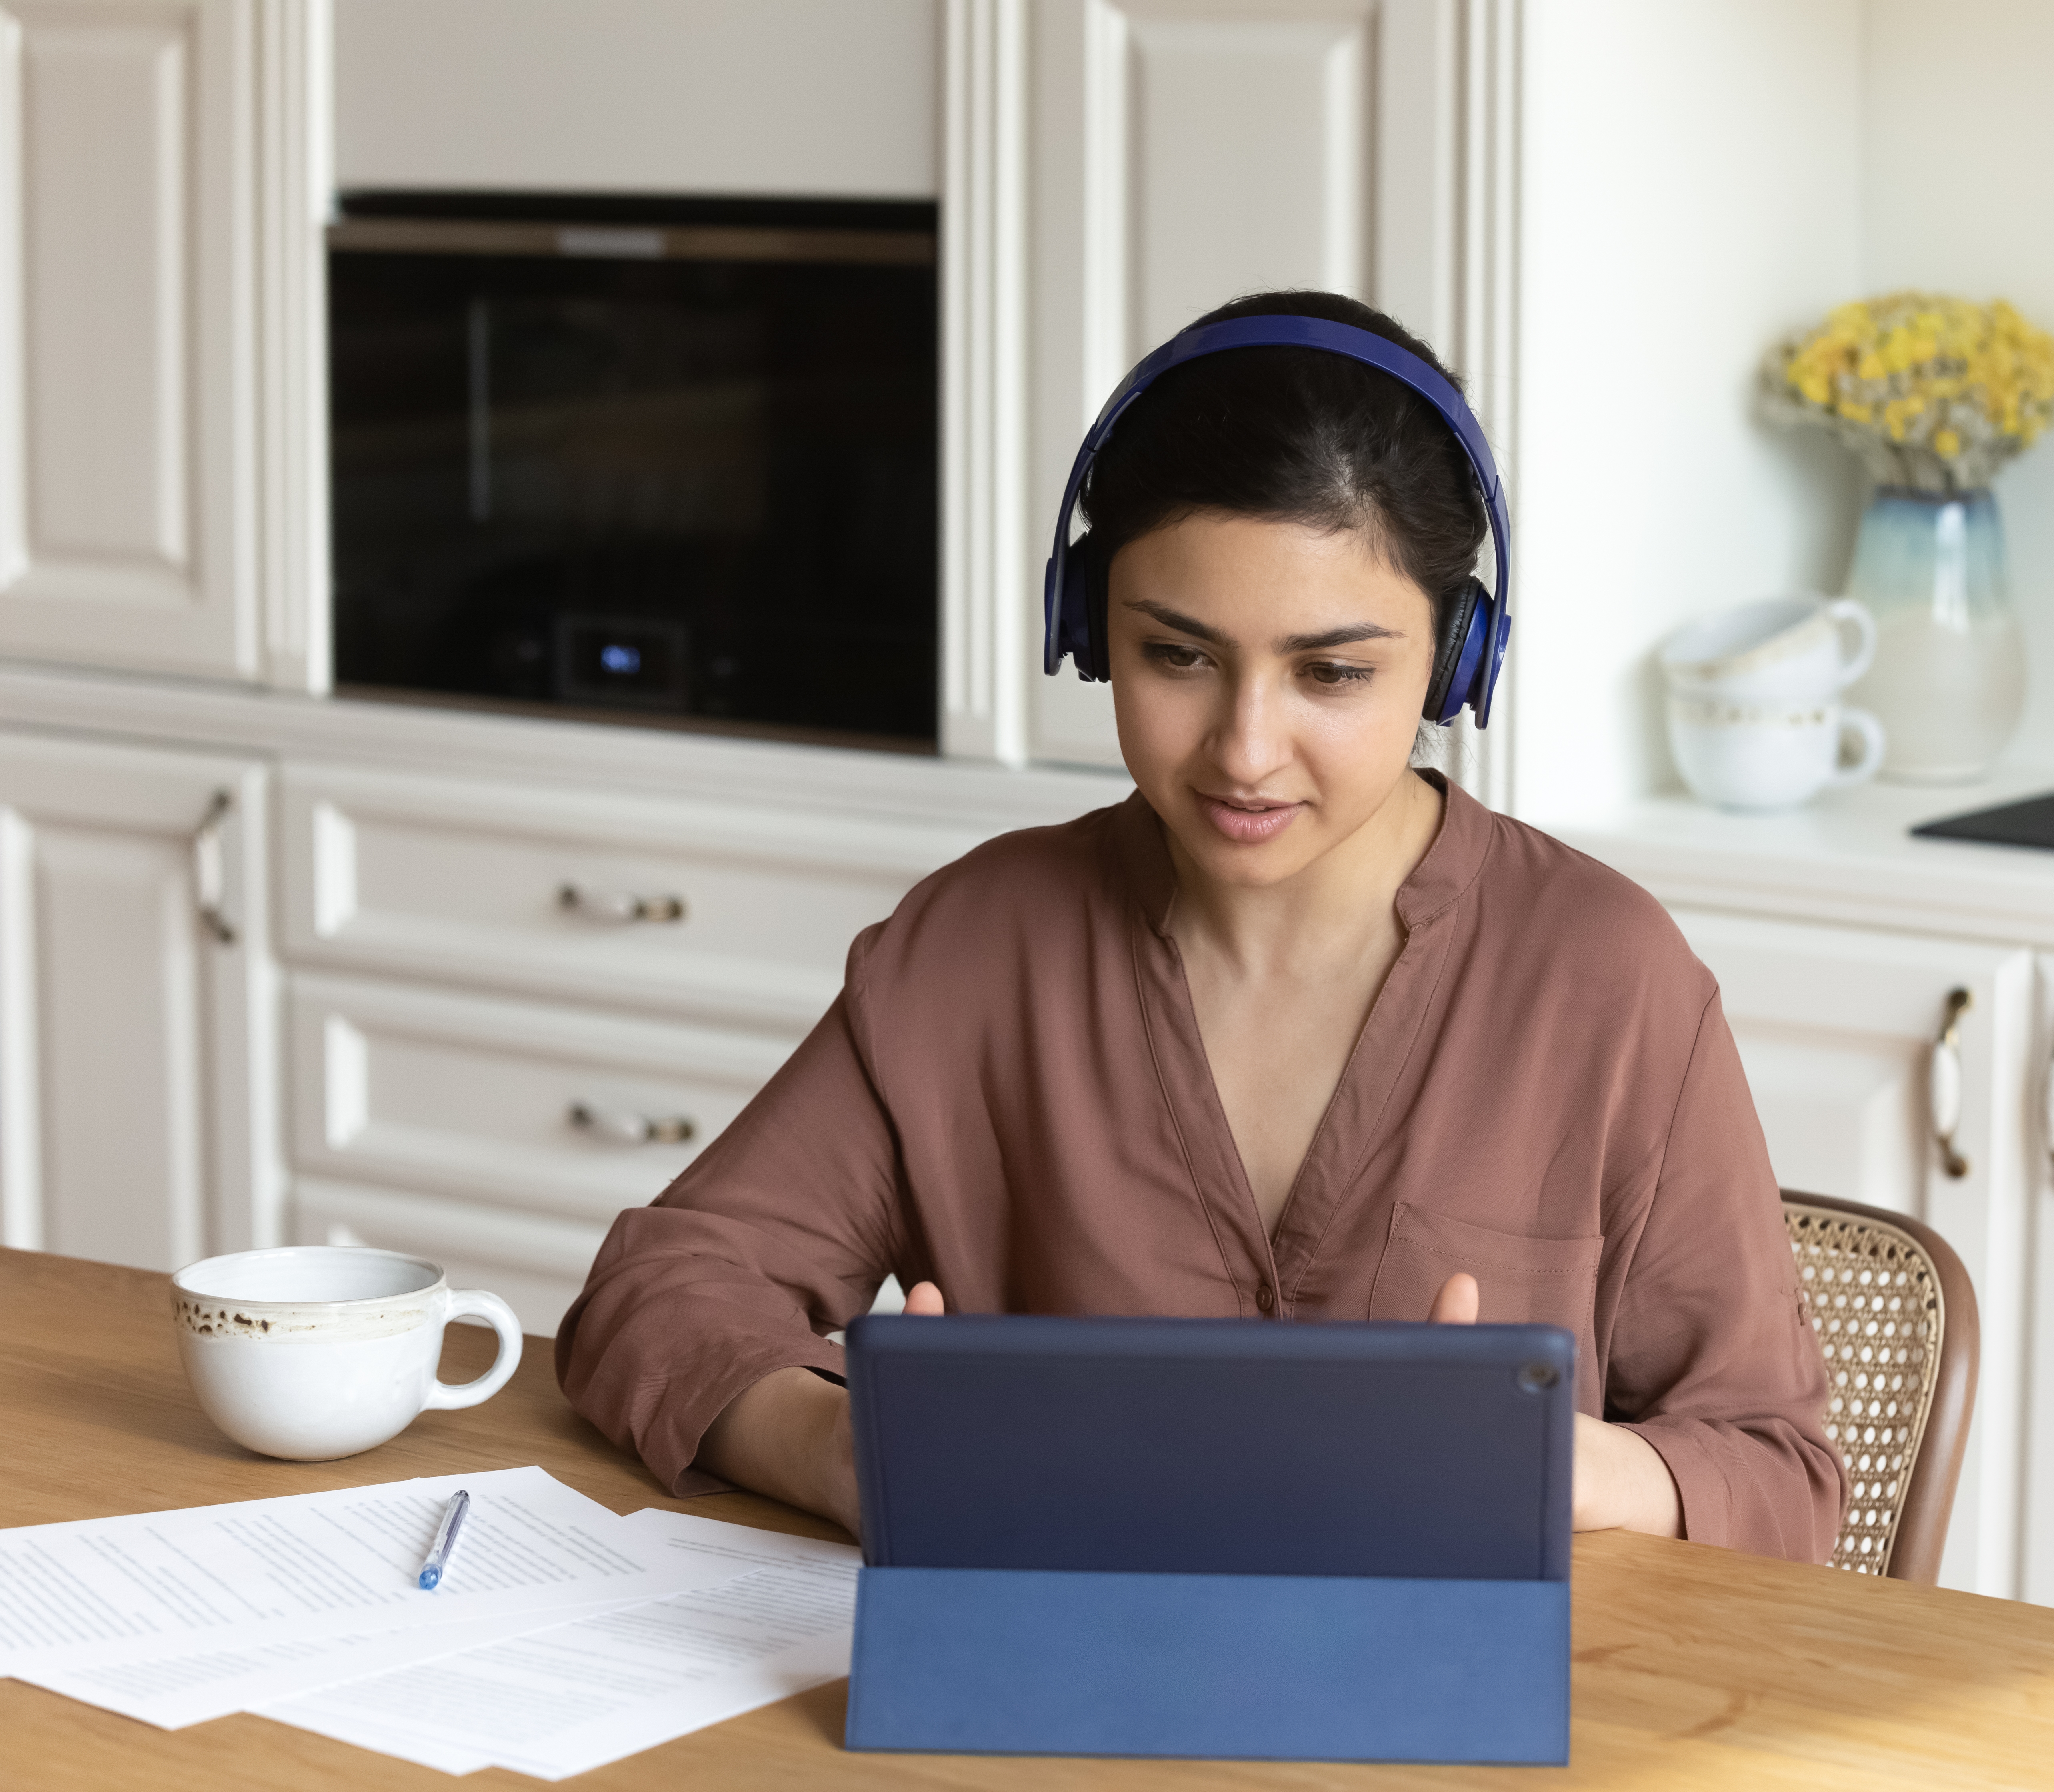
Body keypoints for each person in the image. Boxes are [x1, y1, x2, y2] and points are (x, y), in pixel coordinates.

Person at [556, 290, 1846, 1561]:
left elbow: (1776, 1469)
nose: (1244, 751)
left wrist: (1569, 1464)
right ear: (1087, 629)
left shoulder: (1609, 980)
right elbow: (661, 1294)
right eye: (1178, 656)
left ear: (1458, 663)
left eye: (1333, 674)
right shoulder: (972, 947)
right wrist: (852, 1453)